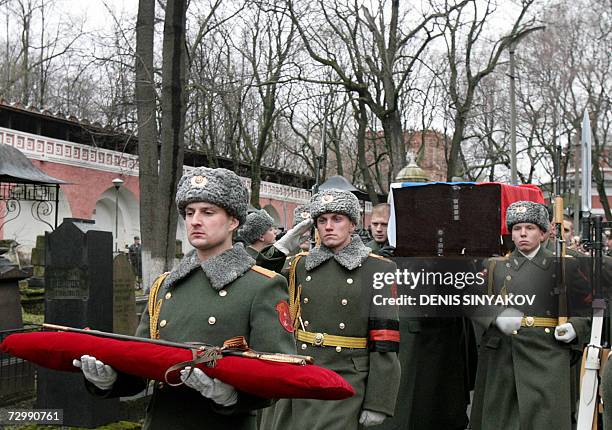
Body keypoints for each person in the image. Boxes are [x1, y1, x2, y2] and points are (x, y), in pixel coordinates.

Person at [73, 167, 296, 430]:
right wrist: (110, 379)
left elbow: (279, 373)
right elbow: (142, 362)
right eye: (190, 213)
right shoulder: (165, 285)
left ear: (233, 221)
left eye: (208, 212)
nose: (195, 221)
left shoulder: (261, 286)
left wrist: (231, 395)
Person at [261, 189, 401, 429]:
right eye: (322, 220)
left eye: (337, 219)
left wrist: (378, 401)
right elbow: (259, 280)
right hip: (299, 374)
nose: (328, 226)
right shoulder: (300, 264)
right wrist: (283, 247)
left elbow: (385, 341)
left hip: (346, 379)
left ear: (353, 225)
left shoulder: (378, 269)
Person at [470, 201, 589, 430]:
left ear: (543, 233)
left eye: (530, 227)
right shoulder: (495, 266)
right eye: (516, 228)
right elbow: (469, 299)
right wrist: (496, 315)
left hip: (548, 355)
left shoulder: (565, 266)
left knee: (545, 421)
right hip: (504, 356)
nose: (523, 233)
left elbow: (590, 307)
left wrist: (576, 326)